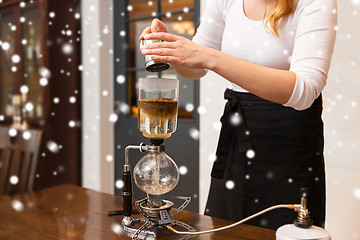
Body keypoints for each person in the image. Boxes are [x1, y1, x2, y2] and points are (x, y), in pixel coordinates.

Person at [139, 0, 337, 230]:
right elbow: (196, 68)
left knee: (283, 229)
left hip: (290, 143)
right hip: (238, 138)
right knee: (226, 229)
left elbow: (305, 90)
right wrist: (172, 51)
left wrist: (210, 57)